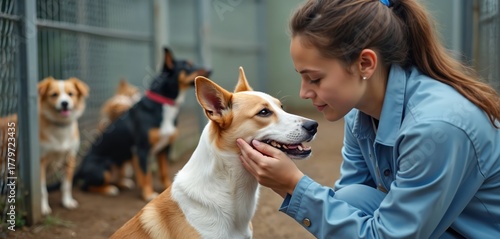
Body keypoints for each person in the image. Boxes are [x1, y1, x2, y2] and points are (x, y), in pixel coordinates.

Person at [236, 0, 500, 238]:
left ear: (365, 64)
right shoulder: (359, 116)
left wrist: (292, 185)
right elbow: (349, 206)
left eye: (315, 78)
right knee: (351, 198)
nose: (303, 93)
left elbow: (389, 235)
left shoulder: (435, 127)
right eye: (301, 76)